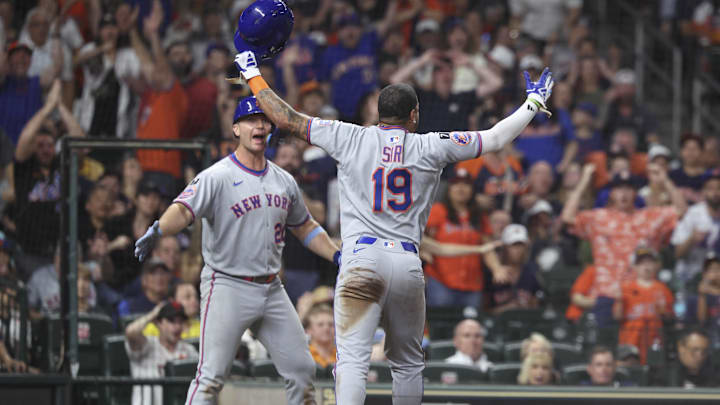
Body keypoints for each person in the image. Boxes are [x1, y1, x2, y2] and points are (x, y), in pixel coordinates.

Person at [234, 33, 554, 402]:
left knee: (352, 360)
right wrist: (533, 101)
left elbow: (286, 118)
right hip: (406, 261)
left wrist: (251, 71)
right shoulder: (432, 144)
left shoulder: (347, 136)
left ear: (378, 112)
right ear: (413, 115)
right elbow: (496, 138)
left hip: (361, 259)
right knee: (408, 362)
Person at [133, 95, 341, 405]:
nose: (258, 125)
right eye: (250, 120)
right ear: (236, 129)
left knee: (301, 368)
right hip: (227, 284)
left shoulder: (284, 181)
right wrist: (160, 228)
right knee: (210, 377)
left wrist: (337, 254)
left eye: (263, 120)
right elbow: (184, 209)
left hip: (271, 288)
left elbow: (306, 227)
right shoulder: (217, 176)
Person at [561, 163, 684, 323]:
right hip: (606, 294)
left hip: (640, 294)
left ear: (635, 192)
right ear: (612, 193)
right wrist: (584, 181)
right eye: (619, 189)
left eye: (628, 189)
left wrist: (665, 180)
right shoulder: (599, 218)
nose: (623, 194)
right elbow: (567, 217)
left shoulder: (649, 217)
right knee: (604, 345)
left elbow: (681, 211)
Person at [125, 300, 198, 405]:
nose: (177, 327)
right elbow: (131, 332)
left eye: (180, 321)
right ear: (159, 323)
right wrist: (153, 314)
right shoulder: (146, 344)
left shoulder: (189, 350)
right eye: (171, 321)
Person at [612, 246, 674, 364]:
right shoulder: (625, 288)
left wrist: (664, 311)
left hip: (654, 340)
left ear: (656, 265)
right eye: (641, 263)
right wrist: (619, 300)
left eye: (649, 262)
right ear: (634, 266)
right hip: (630, 340)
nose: (646, 266)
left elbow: (670, 317)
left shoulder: (663, 289)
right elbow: (617, 317)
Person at [671, 175, 720, 286]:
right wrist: (692, 239)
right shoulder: (693, 214)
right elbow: (678, 254)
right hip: (689, 276)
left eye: (718, 188)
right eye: (711, 188)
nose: (715, 193)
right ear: (703, 192)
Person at [486, 224, 541, 314]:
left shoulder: (532, 271)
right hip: (497, 324)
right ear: (504, 247)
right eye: (513, 245)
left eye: (521, 245)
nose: (518, 250)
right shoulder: (492, 273)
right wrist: (507, 309)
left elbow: (535, 308)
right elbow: (484, 312)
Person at [654, 328, 719, 388]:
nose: (700, 356)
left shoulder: (714, 377)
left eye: (704, 351)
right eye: (695, 350)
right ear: (681, 348)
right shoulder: (665, 376)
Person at [115, 258, 171, 324]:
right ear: (144, 280)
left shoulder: (171, 305)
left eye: (162, 273)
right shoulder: (129, 306)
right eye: (153, 273)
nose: (159, 277)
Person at [304, 304, 336, 369]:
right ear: (308, 330)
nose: (326, 328)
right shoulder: (303, 356)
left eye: (331, 324)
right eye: (320, 324)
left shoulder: (342, 356)